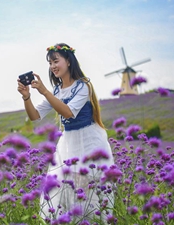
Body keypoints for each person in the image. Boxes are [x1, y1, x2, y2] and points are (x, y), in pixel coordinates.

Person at [17, 43, 115, 222]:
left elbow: (69, 112)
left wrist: (44, 91)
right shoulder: (56, 91)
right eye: (50, 63)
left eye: (56, 61)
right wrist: (26, 96)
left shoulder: (83, 86)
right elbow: (34, 116)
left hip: (89, 141)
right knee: (62, 187)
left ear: (68, 61)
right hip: (68, 142)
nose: (52, 66)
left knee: (88, 187)